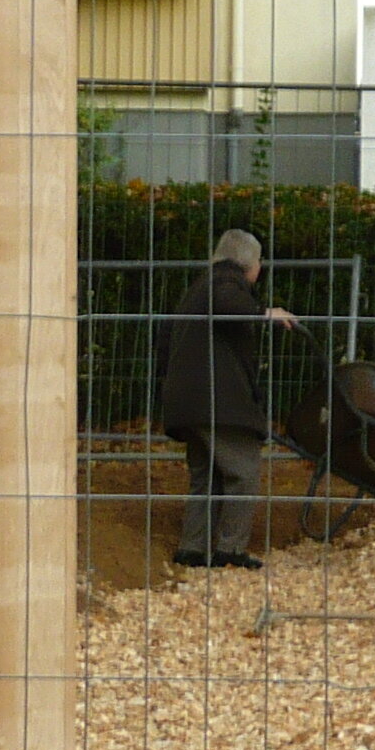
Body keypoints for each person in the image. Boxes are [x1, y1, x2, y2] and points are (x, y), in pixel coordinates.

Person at [156, 229, 301, 569]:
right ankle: (230, 550)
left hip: (188, 401)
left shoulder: (198, 287)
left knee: (207, 476)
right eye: (260, 262)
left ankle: (193, 549)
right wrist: (266, 313)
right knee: (243, 471)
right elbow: (228, 303)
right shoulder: (226, 282)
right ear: (250, 264)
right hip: (217, 402)